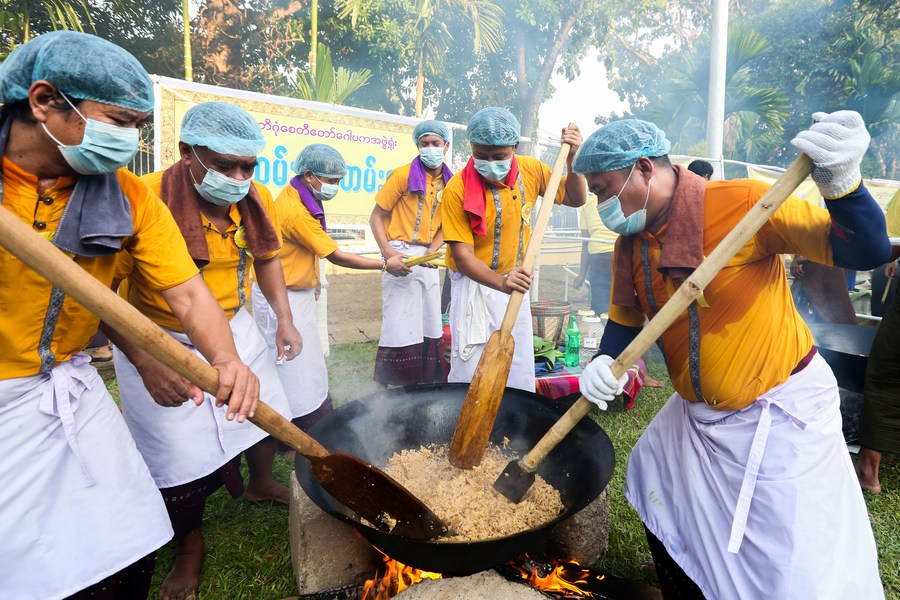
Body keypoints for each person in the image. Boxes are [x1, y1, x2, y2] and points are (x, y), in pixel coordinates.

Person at [574, 114, 887, 599]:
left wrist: (843, 184)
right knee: (653, 471)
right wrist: (602, 359)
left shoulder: (745, 203)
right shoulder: (628, 245)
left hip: (779, 411)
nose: (600, 204)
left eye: (603, 188)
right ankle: (690, 585)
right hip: (697, 417)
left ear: (642, 169)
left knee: (794, 567)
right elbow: (625, 317)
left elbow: (864, 250)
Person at [0, 31, 259, 600]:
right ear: (44, 101)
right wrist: (143, 360)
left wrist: (226, 358)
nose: (129, 140)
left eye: (137, 126)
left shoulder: (128, 197)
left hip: (67, 378)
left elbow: (188, 294)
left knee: (128, 540)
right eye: (117, 121)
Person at [111, 101, 298, 600]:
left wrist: (283, 319)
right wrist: (145, 358)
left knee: (263, 409)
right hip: (157, 334)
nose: (238, 177)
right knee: (173, 449)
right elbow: (103, 295)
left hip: (231, 327)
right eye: (223, 164)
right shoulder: (142, 199)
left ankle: (260, 481)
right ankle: (188, 545)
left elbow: (268, 261)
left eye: (248, 166)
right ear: (185, 152)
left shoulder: (253, 200)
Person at [440, 107, 586, 392]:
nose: (490, 162)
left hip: (514, 284)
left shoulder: (531, 170)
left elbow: (575, 198)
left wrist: (572, 160)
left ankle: (513, 422)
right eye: (481, 155)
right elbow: (463, 255)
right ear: (471, 147)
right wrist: (500, 282)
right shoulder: (457, 189)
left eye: (499, 156)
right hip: (475, 287)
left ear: (515, 147)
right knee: (471, 363)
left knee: (516, 362)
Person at [252, 144, 384, 430]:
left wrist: (312, 279)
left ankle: (309, 418)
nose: (335, 187)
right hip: (281, 297)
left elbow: (305, 251)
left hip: (296, 293)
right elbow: (335, 255)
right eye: (332, 181)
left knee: (307, 361)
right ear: (310, 175)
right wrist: (385, 264)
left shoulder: (301, 194)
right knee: (289, 365)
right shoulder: (295, 211)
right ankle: (289, 428)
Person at [369, 119, 453, 385]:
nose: (430, 148)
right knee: (399, 321)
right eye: (424, 143)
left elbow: (448, 224)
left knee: (429, 320)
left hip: (427, 258)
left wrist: (432, 250)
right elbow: (376, 217)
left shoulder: (452, 184)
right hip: (399, 254)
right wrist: (387, 253)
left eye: (435, 143)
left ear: (446, 146)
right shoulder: (402, 175)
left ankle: (425, 381)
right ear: (418, 145)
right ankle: (391, 385)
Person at [573, 199, 616, 316]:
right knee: (621, 302)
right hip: (620, 254)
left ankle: (602, 326)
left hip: (599, 256)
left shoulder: (587, 204)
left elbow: (585, 242)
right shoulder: (619, 195)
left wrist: (581, 274)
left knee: (600, 304)